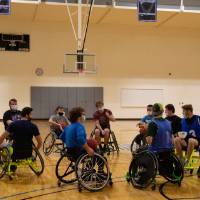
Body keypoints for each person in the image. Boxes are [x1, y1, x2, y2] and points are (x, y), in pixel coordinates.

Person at [146, 103, 174, 177]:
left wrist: (147, 133)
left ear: (153, 112)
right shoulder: (168, 122)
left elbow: (149, 141)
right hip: (168, 150)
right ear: (162, 111)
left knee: (139, 151)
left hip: (156, 151)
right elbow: (172, 139)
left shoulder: (152, 123)